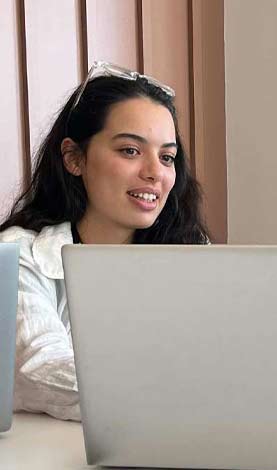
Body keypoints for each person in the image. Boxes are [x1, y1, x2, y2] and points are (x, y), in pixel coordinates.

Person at [0, 62, 209, 421]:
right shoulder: (20, 256)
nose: (154, 172)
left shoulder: (191, 250)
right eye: (130, 150)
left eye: (167, 157)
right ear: (73, 157)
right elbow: (41, 368)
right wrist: (182, 389)